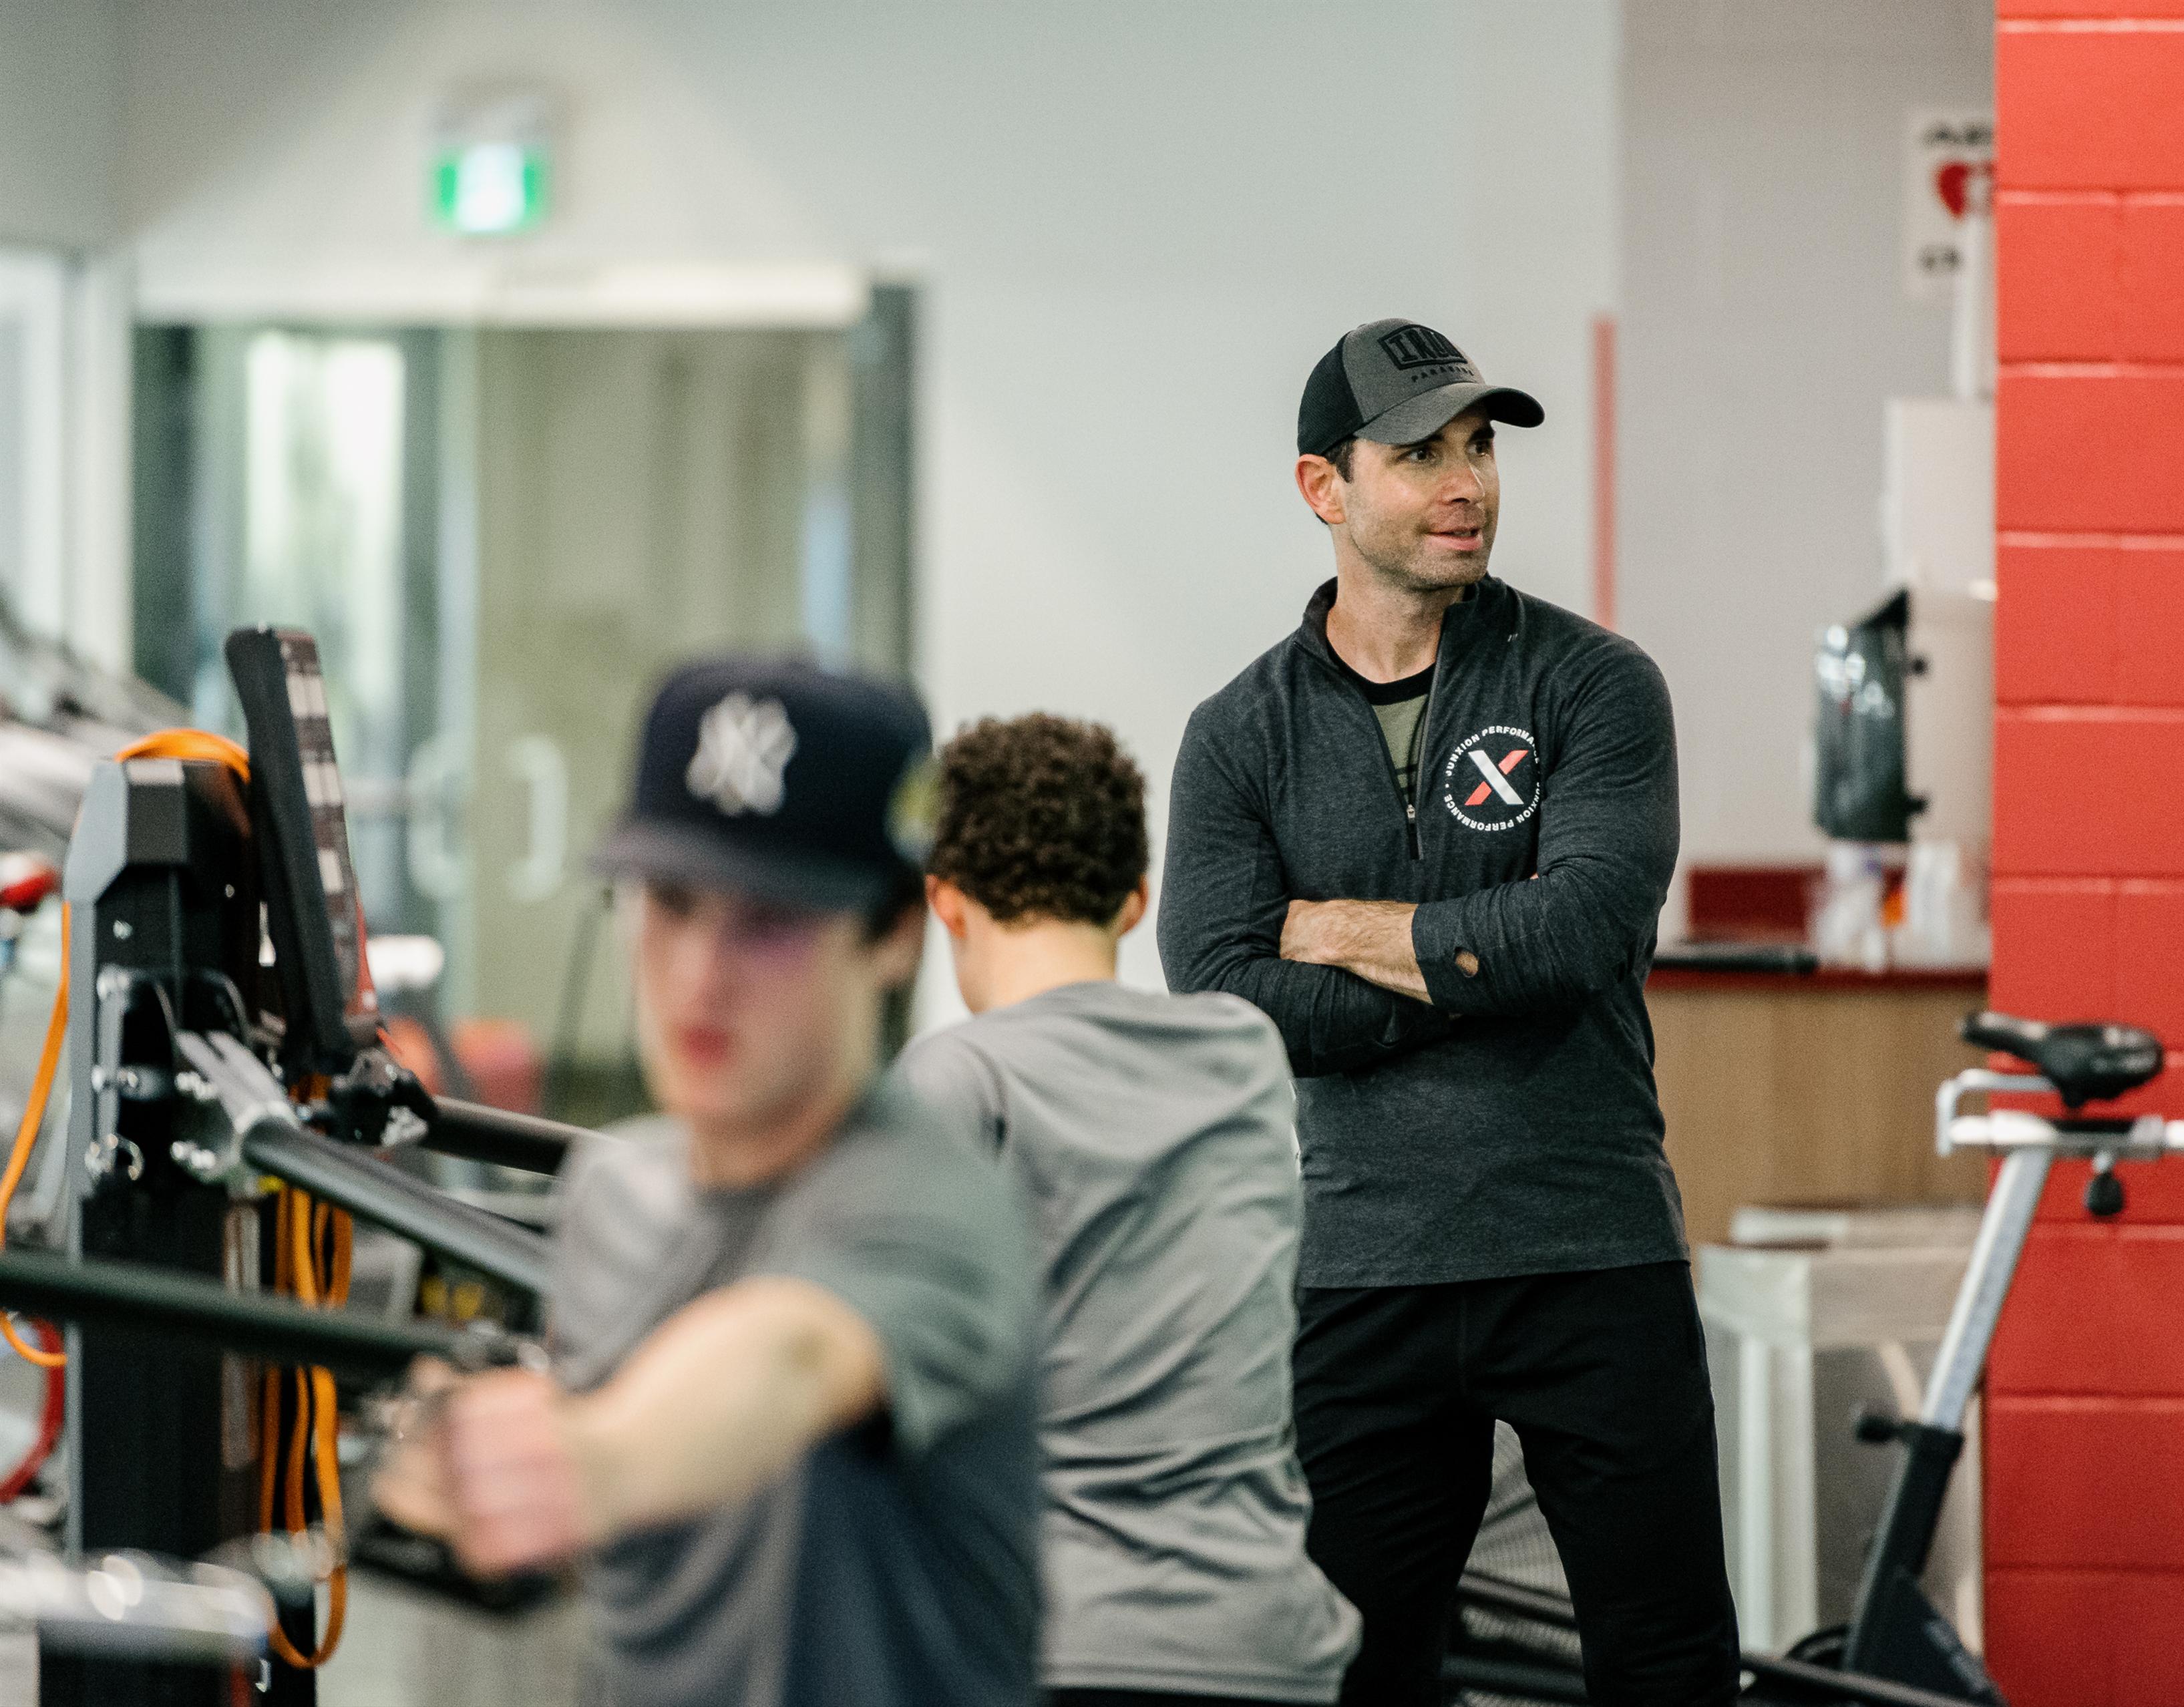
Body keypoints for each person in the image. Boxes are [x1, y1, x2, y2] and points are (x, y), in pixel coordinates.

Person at [1156, 319, 1740, 1707]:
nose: (1466, 480)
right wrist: (1477, 973)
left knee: (1667, 1665)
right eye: (1420, 454)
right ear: (1325, 490)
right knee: (1355, 1673)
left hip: (1591, 1249)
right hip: (1364, 1266)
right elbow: (1224, 990)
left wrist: (1343, 933)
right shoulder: (1241, 733)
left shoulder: (1594, 684)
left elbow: (1584, 929)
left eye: (1479, 446)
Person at [375, 659, 1041, 1707]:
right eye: (673, 904)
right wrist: (475, 1478)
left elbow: (792, 1352)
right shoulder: (612, 1192)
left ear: (895, 938)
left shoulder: (940, 1202)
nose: (700, 974)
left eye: (769, 922)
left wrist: (600, 1455)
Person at [898, 713, 1360, 1707]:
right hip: (1266, 1645)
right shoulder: (1242, 1056)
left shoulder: (956, 1079)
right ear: (1135, 903)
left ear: (946, 902)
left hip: (1056, 1644)